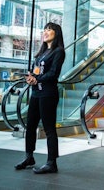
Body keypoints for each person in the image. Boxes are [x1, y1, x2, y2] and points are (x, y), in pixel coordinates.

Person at [14, 22, 65, 174]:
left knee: (49, 129)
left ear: (56, 33)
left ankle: (51, 163)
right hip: (36, 94)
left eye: (49, 30)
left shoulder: (58, 52)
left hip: (48, 94)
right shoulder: (42, 53)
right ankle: (29, 157)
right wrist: (31, 77)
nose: (45, 32)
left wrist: (38, 79)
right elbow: (37, 71)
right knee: (30, 127)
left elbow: (53, 74)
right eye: (44, 30)